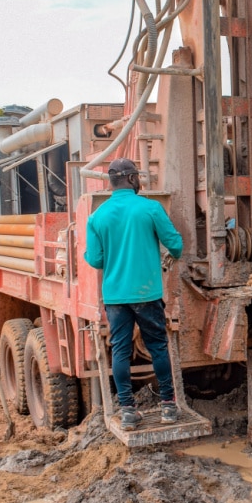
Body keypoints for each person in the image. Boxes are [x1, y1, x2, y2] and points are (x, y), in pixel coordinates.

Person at [84, 158, 185, 431]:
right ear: (131, 179)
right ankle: (167, 407)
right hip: (146, 293)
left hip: (115, 296)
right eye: (138, 177)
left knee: (120, 350)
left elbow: (94, 260)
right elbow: (175, 244)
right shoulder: (150, 208)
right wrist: (169, 255)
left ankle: (128, 411)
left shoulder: (97, 217)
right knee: (157, 347)